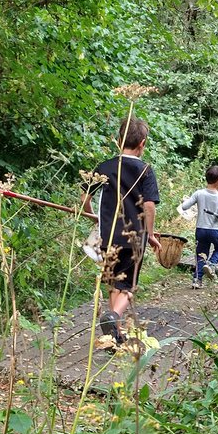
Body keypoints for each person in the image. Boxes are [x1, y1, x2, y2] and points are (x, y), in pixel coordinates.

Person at [81, 114, 161, 345]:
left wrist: (93, 216)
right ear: (142, 143)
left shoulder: (104, 167)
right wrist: (151, 234)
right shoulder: (146, 170)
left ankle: (113, 333)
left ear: (118, 140)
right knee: (128, 285)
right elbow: (148, 205)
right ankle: (114, 317)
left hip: (107, 237)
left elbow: (85, 198)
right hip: (134, 237)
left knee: (113, 281)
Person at [180, 165, 218, 289]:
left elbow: (184, 207)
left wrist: (184, 200)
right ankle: (211, 264)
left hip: (200, 229)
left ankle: (197, 280)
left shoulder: (199, 193)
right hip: (215, 230)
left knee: (201, 254)